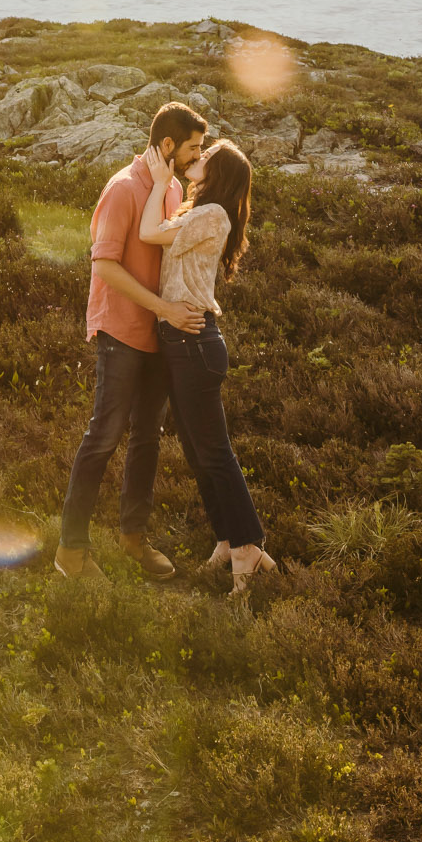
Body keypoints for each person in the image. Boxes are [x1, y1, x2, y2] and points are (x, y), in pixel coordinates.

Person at [54, 102, 209, 582]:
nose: (195, 156)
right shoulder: (122, 189)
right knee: (104, 436)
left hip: (159, 337)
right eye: (192, 148)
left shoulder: (175, 189)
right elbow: (102, 267)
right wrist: (164, 309)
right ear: (167, 145)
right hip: (121, 334)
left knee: (147, 438)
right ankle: (71, 552)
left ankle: (133, 537)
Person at [138, 137, 277, 594]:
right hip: (184, 341)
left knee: (214, 453)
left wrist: (161, 182)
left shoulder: (211, 214)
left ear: (219, 174)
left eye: (206, 157)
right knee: (200, 454)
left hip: (194, 341)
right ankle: (227, 538)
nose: (198, 159)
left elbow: (149, 233)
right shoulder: (204, 212)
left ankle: (247, 545)